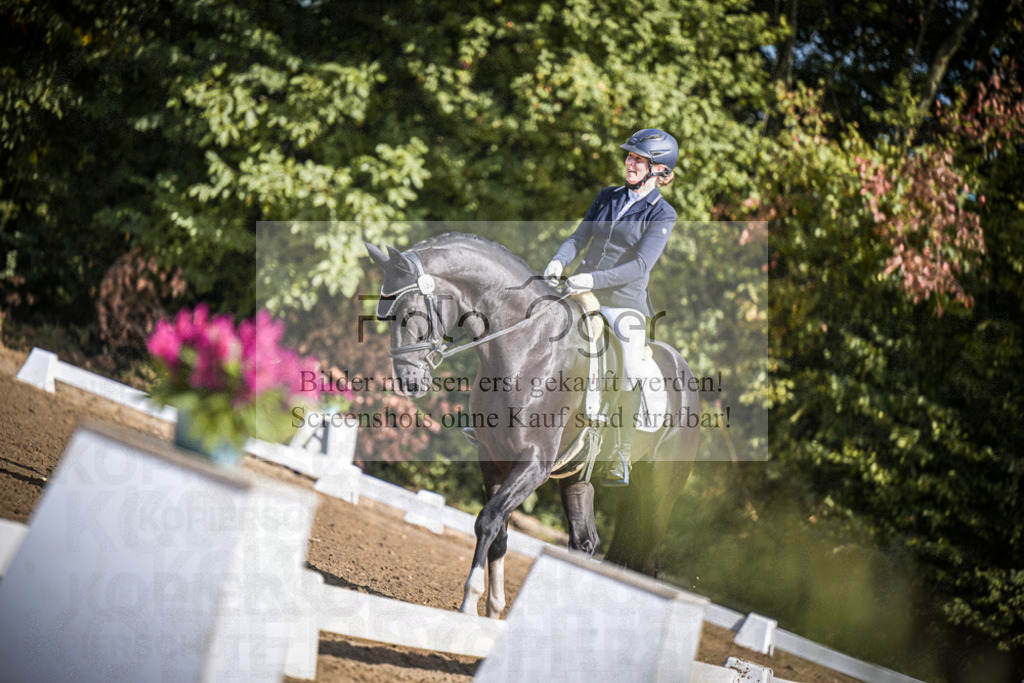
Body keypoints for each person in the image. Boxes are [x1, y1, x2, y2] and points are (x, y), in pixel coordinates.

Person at [544, 128, 679, 486]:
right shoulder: (607, 197)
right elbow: (579, 238)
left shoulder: (663, 214)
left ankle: (620, 452)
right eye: (630, 157)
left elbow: (639, 267)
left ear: (658, 170)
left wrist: (593, 281)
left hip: (623, 303)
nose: (630, 163)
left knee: (633, 363)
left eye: (639, 159)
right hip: (579, 289)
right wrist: (559, 262)